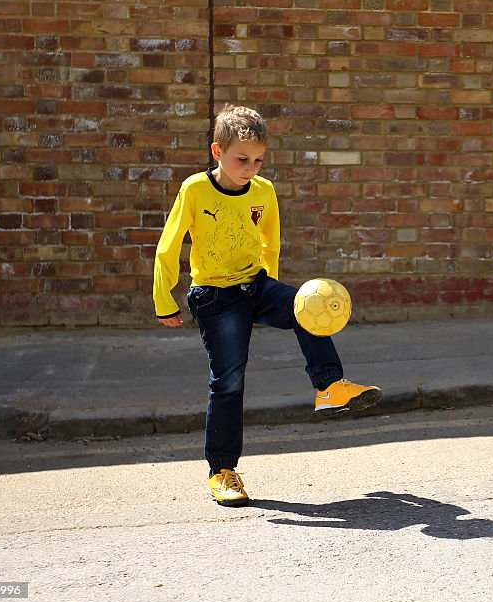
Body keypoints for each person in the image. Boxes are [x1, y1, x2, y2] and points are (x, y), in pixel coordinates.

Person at [153, 105, 381, 506]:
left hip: (256, 285)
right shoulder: (195, 189)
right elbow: (169, 245)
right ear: (217, 152)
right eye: (243, 159)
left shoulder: (263, 191)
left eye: (258, 160)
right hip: (215, 297)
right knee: (229, 379)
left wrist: (270, 288)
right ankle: (222, 470)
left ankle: (329, 386)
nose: (251, 168)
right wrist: (163, 299)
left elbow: (269, 242)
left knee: (308, 303)